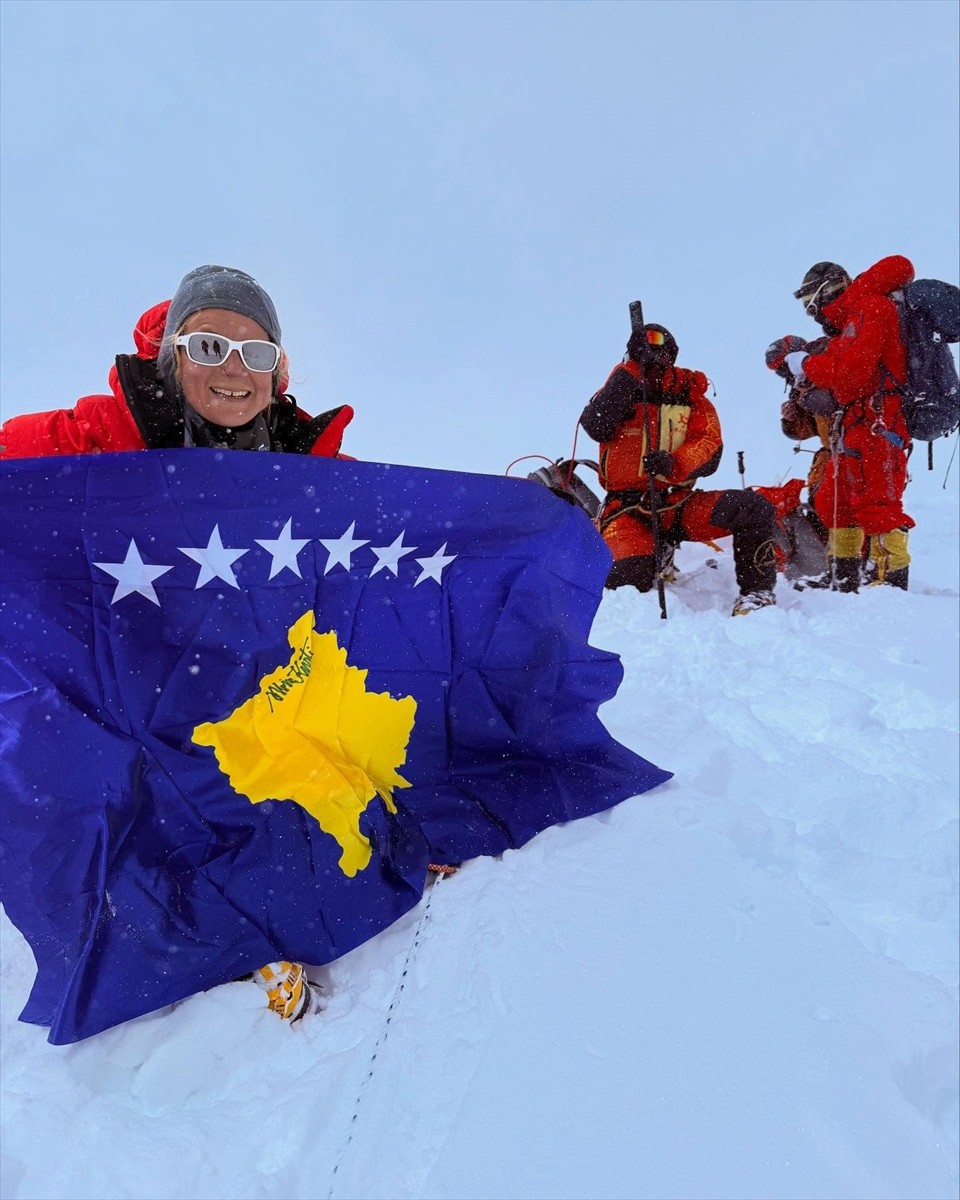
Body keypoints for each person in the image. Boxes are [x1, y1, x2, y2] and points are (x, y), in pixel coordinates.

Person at [0, 264, 351, 1021]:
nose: (234, 369)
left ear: (278, 375)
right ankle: (191, 940)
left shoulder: (300, 458)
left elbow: (401, 522)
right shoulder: (103, 433)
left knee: (311, 752)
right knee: (111, 783)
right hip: (118, 675)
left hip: (240, 668)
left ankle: (350, 847)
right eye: (211, 345)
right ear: (173, 354)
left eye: (257, 355)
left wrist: (513, 520)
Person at [580, 322, 779, 615]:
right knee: (627, 582)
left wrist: (675, 463)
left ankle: (758, 593)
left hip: (680, 505)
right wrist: (631, 369)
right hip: (628, 511)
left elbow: (710, 447)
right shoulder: (620, 388)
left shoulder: (692, 396)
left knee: (753, 507)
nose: (654, 357)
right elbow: (596, 424)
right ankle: (655, 554)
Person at [788, 258, 915, 591]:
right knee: (836, 499)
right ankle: (843, 574)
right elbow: (846, 366)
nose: (811, 313)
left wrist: (805, 363)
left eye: (809, 304)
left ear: (823, 294)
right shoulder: (854, 317)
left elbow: (850, 370)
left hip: (879, 418)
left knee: (877, 502)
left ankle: (889, 579)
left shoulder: (870, 308)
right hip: (858, 419)